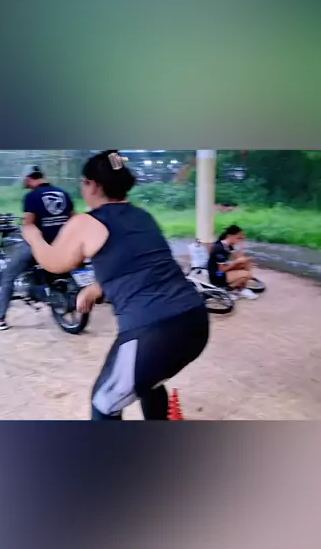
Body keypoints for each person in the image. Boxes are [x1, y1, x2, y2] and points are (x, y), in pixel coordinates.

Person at [21, 150, 209, 420]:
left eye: (83, 182)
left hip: (153, 331)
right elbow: (134, 262)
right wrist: (96, 287)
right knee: (149, 381)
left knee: (104, 402)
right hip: (194, 322)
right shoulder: (142, 216)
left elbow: (53, 262)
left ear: (92, 185)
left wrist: (33, 235)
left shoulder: (87, 221)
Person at [0, 166, 74, 330]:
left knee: (8, 274)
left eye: (25, 180)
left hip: (40, 245)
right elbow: (73, 218)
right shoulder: (63, 193)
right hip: (63, 243)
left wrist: (24, 228)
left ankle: (0, 319)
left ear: (28, 179)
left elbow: (29, 225)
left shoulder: (32, 196)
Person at [207, 225, 258, 299]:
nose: (240, 240)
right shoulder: (219, 248)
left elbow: (240, 257)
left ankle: (241, 289)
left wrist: (241, 247)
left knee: (247, 263)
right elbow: (221, 269)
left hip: (223, 271)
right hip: (217, 275)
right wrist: (236, 262)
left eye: (241, 238)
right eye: (238, 238)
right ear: (230, 236)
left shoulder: (229, 246)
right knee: (246, 274)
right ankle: (225, 290)